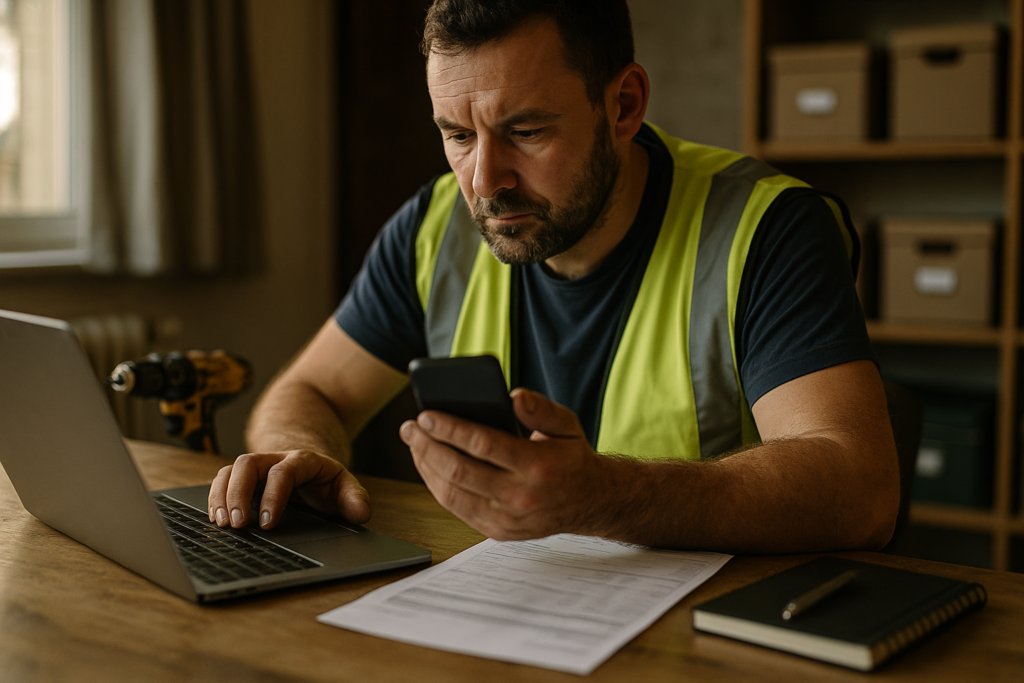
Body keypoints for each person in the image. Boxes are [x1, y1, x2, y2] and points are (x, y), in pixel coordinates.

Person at [208, 0, 899, 554]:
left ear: (624, 105)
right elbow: (309, 391)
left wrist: (605, 496)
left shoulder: (769, 227)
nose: (485, 181)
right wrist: (301, 454)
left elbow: (862, 490)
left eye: (527, 131)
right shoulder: (433, 227)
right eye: (458, 135)